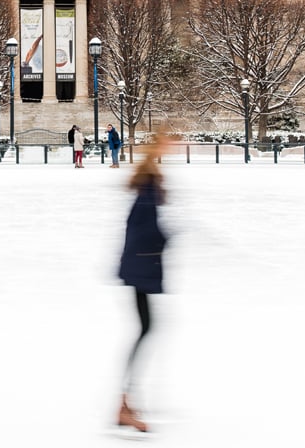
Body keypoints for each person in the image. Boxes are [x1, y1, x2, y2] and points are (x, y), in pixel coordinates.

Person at [116, 138, 172, 434]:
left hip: (140, 268)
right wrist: (165, 240)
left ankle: (126, 400)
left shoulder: (147, 185)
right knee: (146, 329)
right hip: (141, 269)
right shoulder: (148, 189)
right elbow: (143, 231)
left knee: (147, 329)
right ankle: (125, 402)